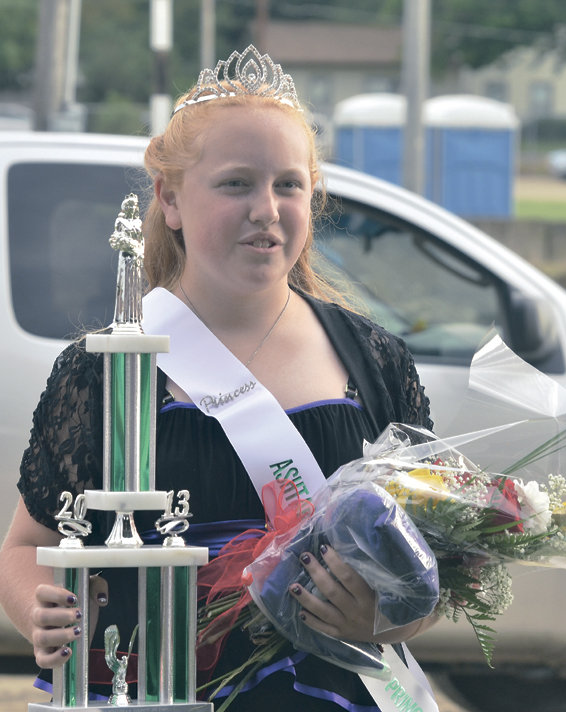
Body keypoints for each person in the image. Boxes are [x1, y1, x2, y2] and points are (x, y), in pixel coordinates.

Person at [0, 46, 438, 710]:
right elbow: (29, 544)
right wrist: (40, 609)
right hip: (145, 691)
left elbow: (426, 571)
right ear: (169, 199)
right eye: (236, 183)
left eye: (287, 184)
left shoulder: (374, 360)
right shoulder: (103, 368)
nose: (265, 208)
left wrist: (384, 619)